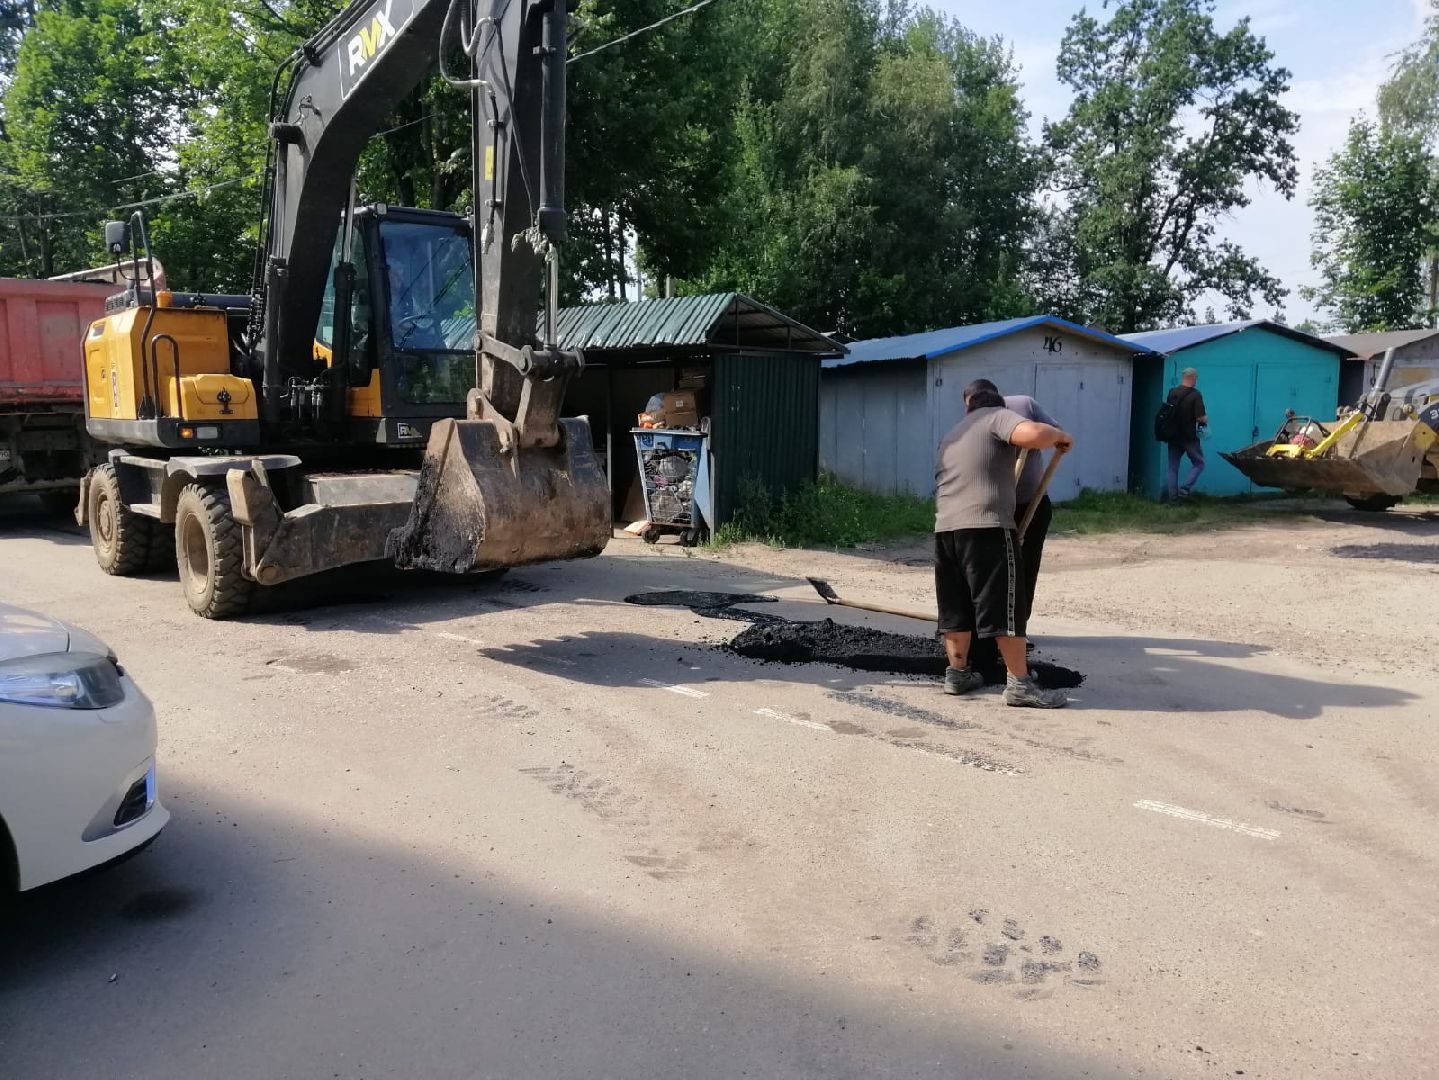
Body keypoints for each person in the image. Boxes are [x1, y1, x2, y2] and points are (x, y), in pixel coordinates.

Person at [934, 388, 1074, 708]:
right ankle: (1020, 684)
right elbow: (1034, 433)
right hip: (987, 527)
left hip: (946, 529)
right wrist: (1060, 436)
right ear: (997, 403)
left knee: (956, 606)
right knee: (1006, 605)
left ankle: (957, 675)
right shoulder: (998, 415)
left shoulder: (954, 433)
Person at [963, 378, 1057, 619]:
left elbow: (1055, 434)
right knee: (992, 567)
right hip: (995, 507)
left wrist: (1034, 439)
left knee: (1025, 566)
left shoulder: (1025, 406)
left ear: (997, 400)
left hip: (1031, 502)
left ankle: (1018, 628)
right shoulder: (972, 423)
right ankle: (983, 626)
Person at [1164, 368, 1208, 501]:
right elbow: (1200, 418)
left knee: (1173, 467)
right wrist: (1205, 419)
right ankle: (1184, 490)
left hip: (1172, 435)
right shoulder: (1196, 395)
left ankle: (1172, 498)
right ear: (1193, 378)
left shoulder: (1172, 392)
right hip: (1189, 436)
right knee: (1199, 463)